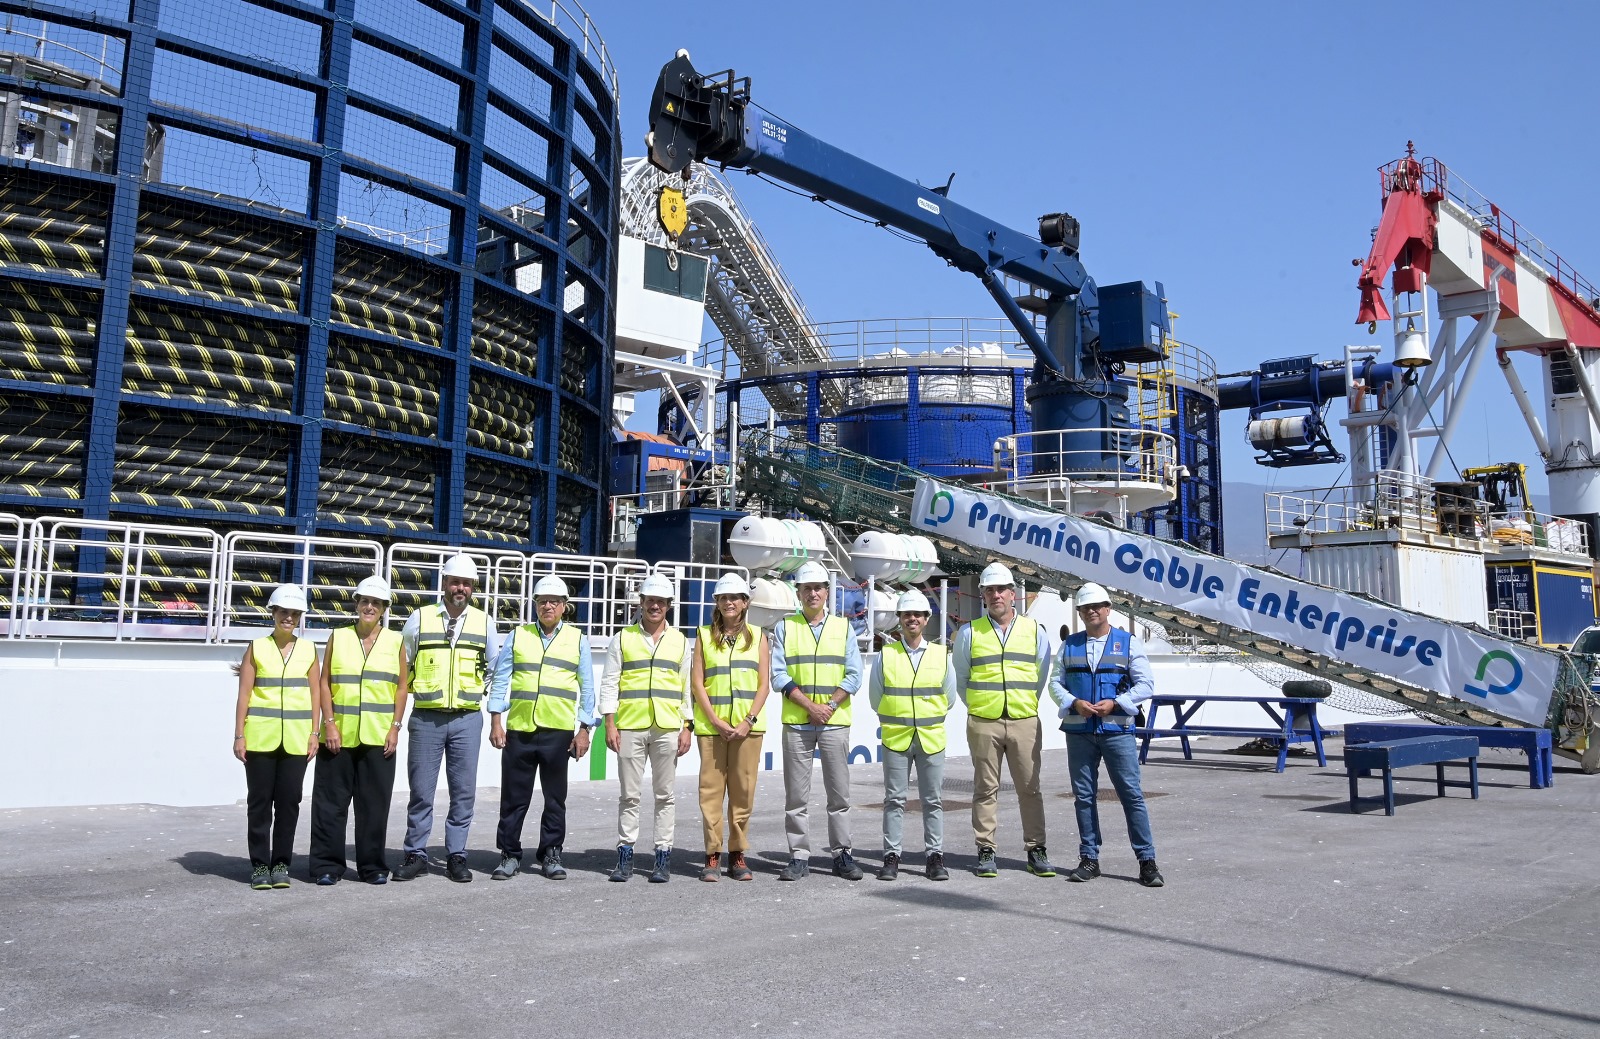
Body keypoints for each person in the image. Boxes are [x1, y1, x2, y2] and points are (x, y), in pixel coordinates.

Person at [394, 554, 499, 883]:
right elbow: (404, 662)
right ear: (444, 584)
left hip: (467, 719)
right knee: (421, 791)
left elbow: (495, 667)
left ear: (472, 588)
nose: (461, 588)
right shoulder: (419, 619)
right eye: (455, 582)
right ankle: (417, 853)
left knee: (463, 792)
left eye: (466, 584)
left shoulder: (485, 622)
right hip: (426, 717)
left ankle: (456, 855)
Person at [1053, 583, 1163, 887]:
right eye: (1086, 607)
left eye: (1097, 606)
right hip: (1079, 731)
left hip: (1117, 731)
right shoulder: (1069, 645)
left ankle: (1147, 861)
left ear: (1108, 608)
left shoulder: (1128, 643)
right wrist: (1073, 702)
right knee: (1083, 797)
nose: (1092, 611)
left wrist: (1116, 703)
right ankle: (1089, 858)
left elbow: (1145, 685)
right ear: (1079, 612)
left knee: (1131, 795)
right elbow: (1054, 682)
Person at [953, 562, 1059, 879]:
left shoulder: (1034, 631)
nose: (996, 595)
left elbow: (1041, 674)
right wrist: (978, 705)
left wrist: (1023, 703)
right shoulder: (969, 632)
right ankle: (986, 850)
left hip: (1024, 719)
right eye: (990, 590)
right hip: (984, 720)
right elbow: (961, 677)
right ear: (983, 595)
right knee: (985, 788)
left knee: (1030, 787)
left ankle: (1036, 849)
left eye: (1001, 589)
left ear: (1013, 594)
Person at [486, 575, 595, 881]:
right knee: (513, 798)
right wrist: (496, 720)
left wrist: (585, 729)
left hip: (558, 731)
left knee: (555, 798)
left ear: (564, 607)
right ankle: (509, 854)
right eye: (542, 601)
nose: (548, 606)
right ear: (535, 604)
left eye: (554, 601)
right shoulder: (518, 636)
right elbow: (501, 679)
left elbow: (587, 688)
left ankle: (551, 853)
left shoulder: (577, 639)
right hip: (520, 729)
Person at [308, 576, 409, 885]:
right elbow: (324, 682)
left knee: (374, 806)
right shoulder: (337, 637)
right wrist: (329, 724)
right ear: (357, 604)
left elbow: (402, 687)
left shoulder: (396, 641)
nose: (369, 607)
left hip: (379, 737)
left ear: (384, 609)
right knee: (329, 805)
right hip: (338, 735)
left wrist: (395, 728)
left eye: (375, 603)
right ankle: (326, 865)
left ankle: (372, 866)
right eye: (365, 601)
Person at [771, 560, 864, 881]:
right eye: (807, 588)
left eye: (818, 588)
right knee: (796, 797)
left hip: (834, 722)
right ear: (798, 593)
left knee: (839, 795)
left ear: (827, 592)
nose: (813, 593)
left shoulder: (844, 627)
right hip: (798, 722)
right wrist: (811, 706)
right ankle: (799, 855)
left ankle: (842, 854)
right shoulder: (785, 627)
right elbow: (778, 675)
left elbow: (854, 675)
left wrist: (828, 706)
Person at [600, 573, 692, 883]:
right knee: (630, 795)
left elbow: (685, 687)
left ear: (668, 605)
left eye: (660, 601)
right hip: (630, 726)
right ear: (641, 603)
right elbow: (610, 682)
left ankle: (662, 856)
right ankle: (625, 855)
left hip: (667, 726)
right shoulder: (623, 638)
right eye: (650, 600)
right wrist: (609, 722)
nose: (655, 606)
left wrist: (687, 726)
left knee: (665, 795)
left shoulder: (679, 641)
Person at [233, 584, 322, 890]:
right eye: (284, 612)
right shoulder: (256, 647)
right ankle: (259, 865)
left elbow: (315, 694)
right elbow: (244, 693)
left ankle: (281, 862)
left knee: (289, 802)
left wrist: (314, 733)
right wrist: (239, 735)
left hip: (297, 739)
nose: (289, 617)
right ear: (273, 613)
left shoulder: (309, 650)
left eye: (295, 613)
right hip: (260, 737)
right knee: (259, 803)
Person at [690, 572, 771, 882]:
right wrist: (715, 720)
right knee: (710, 792)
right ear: (717, 603)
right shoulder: (703, 635)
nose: (728, 602)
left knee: (742, 791)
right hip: (713, 728)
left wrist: (747, 720)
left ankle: (737, 854)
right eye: (723, 598)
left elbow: (764, 685)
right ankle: (712, 854)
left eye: (734, 597)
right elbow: (697, 683)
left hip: (747, 728)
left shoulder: (759, 636)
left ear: (745, 602)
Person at [870, 589, 954, 881]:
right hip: (896, 738)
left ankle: (935, 857)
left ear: (927, 619)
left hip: (930, 738)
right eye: (907, 614)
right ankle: (891, 856)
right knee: (894, 800)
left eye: (918, 614)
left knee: (933, 800)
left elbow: (950, 696)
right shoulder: (887, 654)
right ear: (900, 619)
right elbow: (875, 697)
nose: (912, 619)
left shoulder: (941, 655)